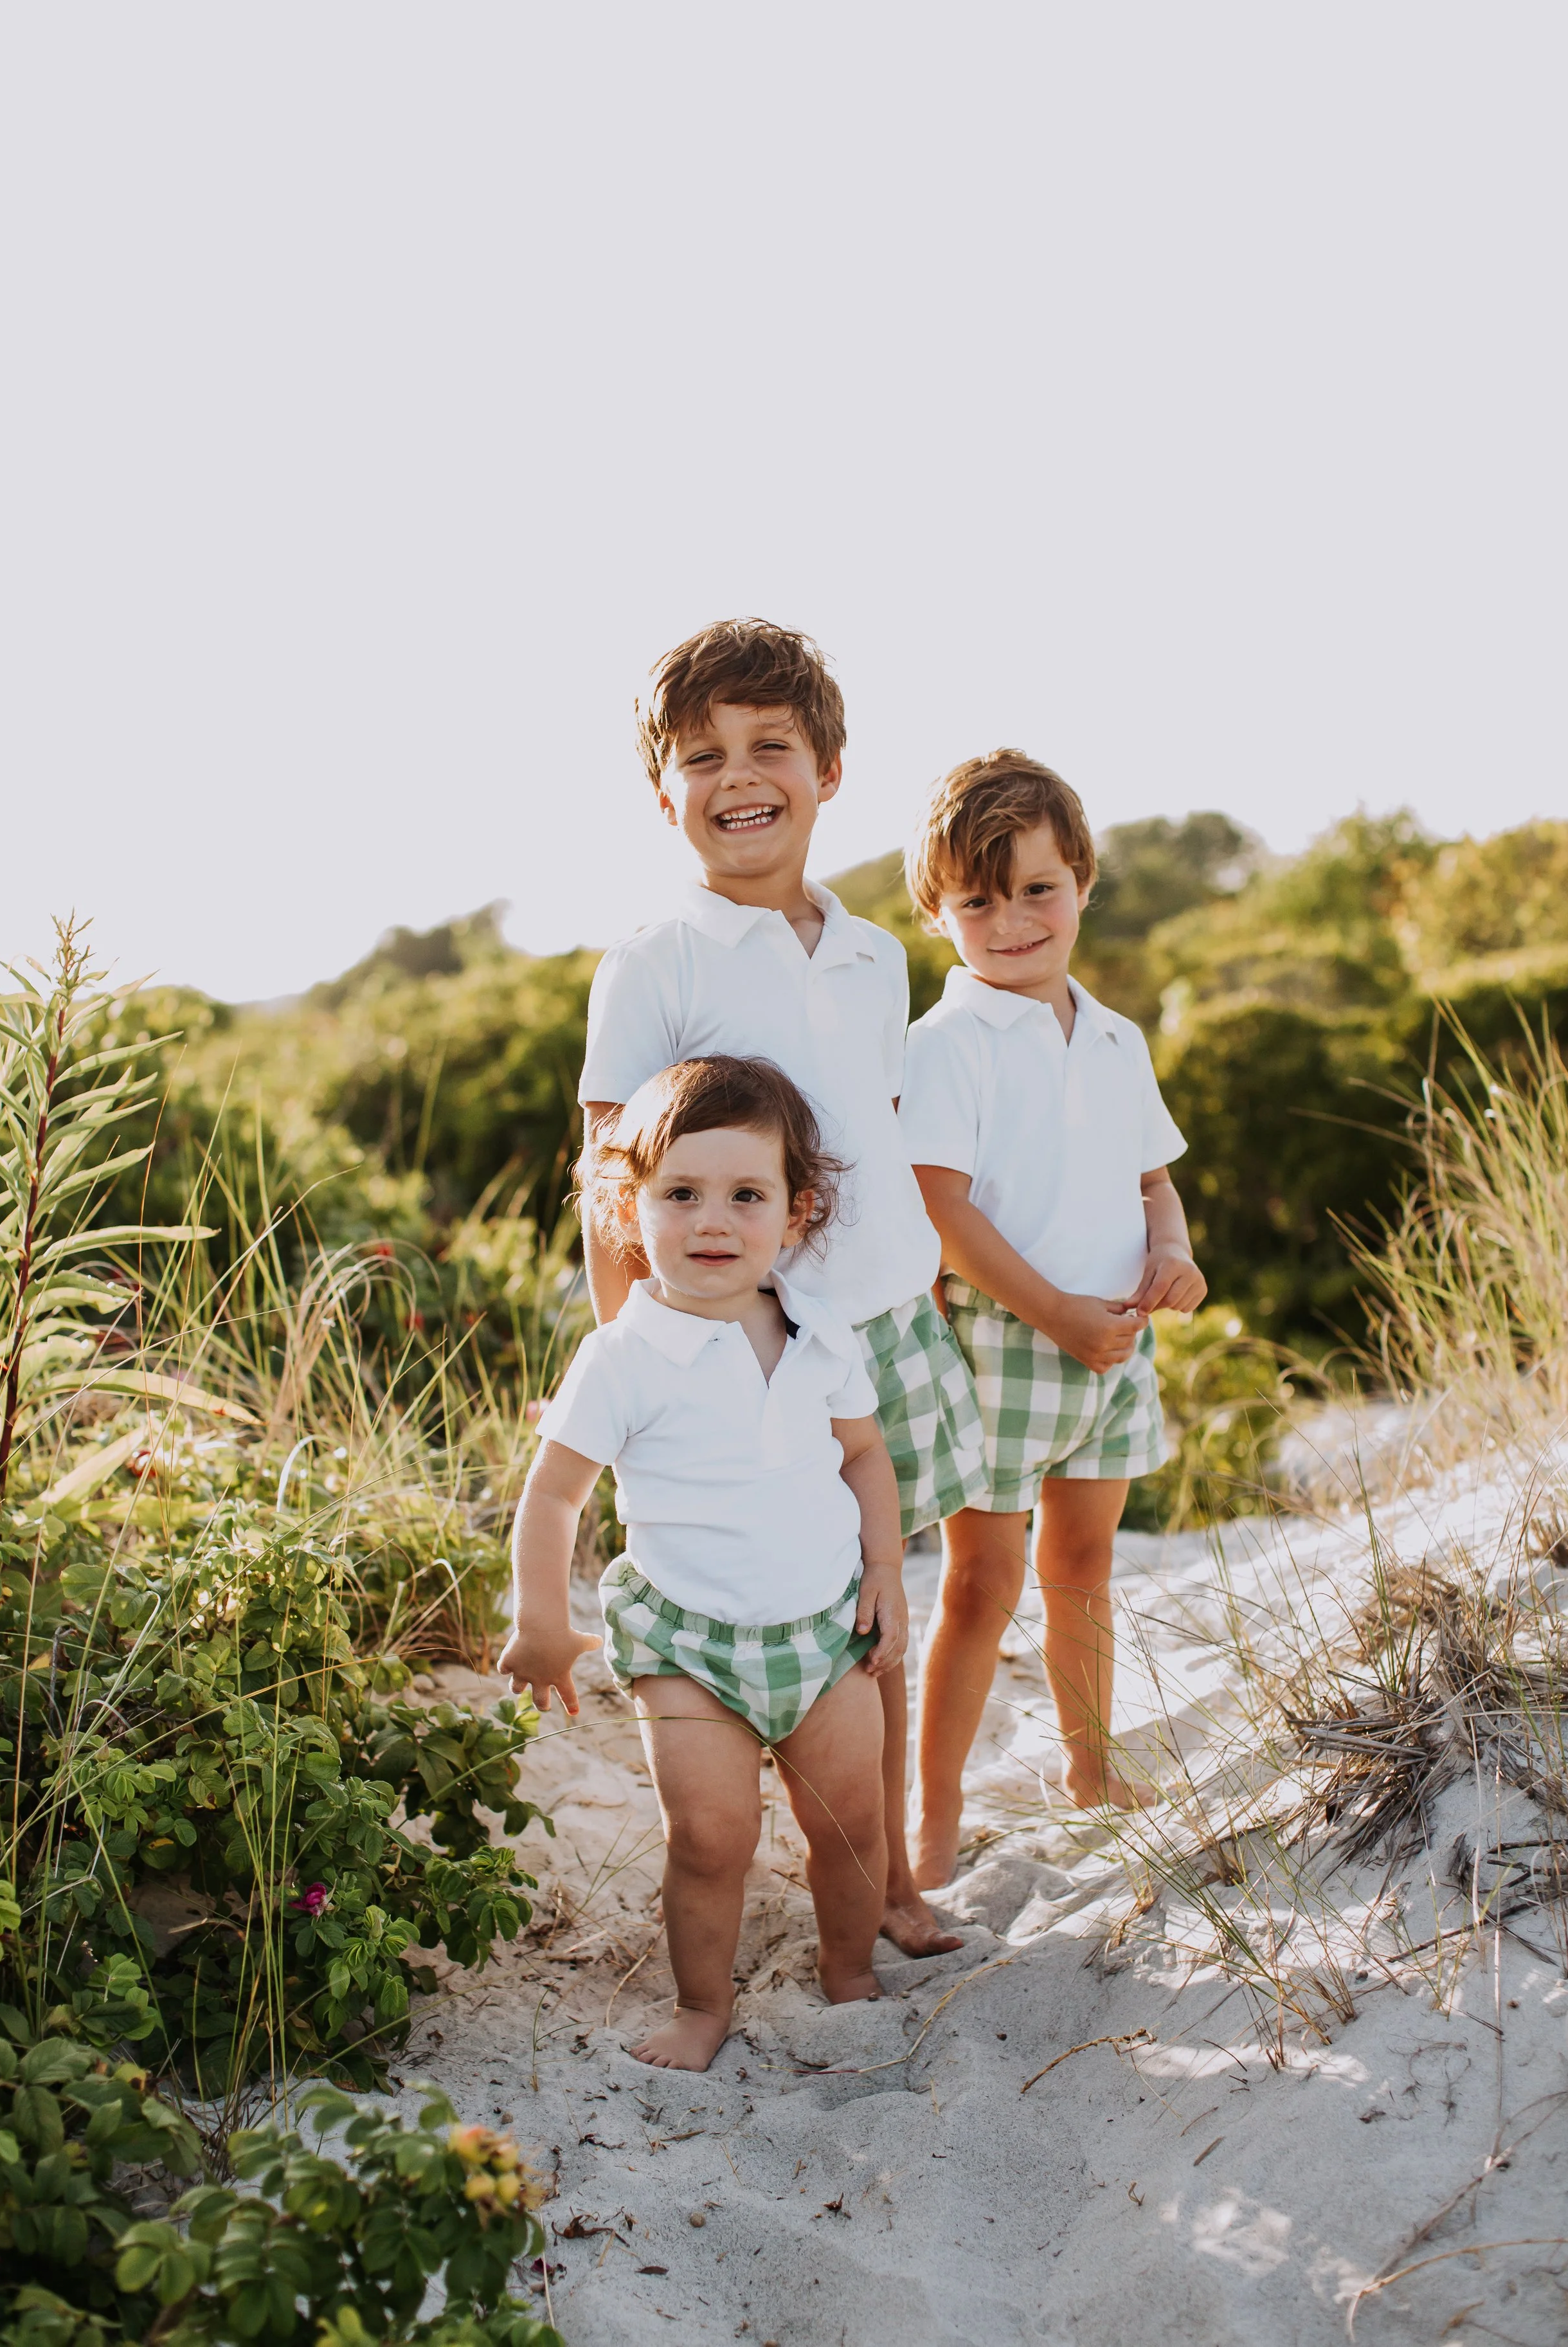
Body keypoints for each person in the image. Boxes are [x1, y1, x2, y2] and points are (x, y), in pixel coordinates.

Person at [575, 617, 984, 1956]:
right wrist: (634, 1361)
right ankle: (752, 1854)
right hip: (750, 1350)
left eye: (769, 747)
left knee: (877, 1597)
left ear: (827, 770)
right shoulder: (659, 958)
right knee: (772, 1591)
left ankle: (887, 1880)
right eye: (702, 755)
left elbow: (880, 1127)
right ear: (663, 792)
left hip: (888, 1321)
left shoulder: (870, 952)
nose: (737, 775)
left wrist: (919, 1287)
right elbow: (612, 1178)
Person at [497, 1056, 906, 2073]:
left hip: (823, 1629)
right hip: (686, 1642)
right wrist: (542, 1621)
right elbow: (553, 1495)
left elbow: (863, 1453)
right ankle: (700, 2008)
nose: (712, 1220)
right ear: (629, 1209)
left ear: (796, 1211)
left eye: (745, 1194)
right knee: (712, 1839)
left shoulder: (820, 1332)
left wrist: (884, 1570)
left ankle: (849, 1973)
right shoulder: (624, 1354)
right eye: (680, 1193)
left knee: (851, 1825)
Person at [897, 750, 1207, 1887]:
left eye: (1037, 887)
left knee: (1084, 1564)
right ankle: (932, 1818)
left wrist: (1170, 1257)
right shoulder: (948, 1043)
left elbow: (1152, 1181)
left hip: (1117, 1340)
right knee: (980, 1583)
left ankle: (1090, 1765)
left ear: (1082, 878)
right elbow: (940, 1207)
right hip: (1003, 1346)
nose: (1013, 919)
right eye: (978, 898)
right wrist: (1059, 1315)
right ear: (939, 913)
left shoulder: (1118, 1037)